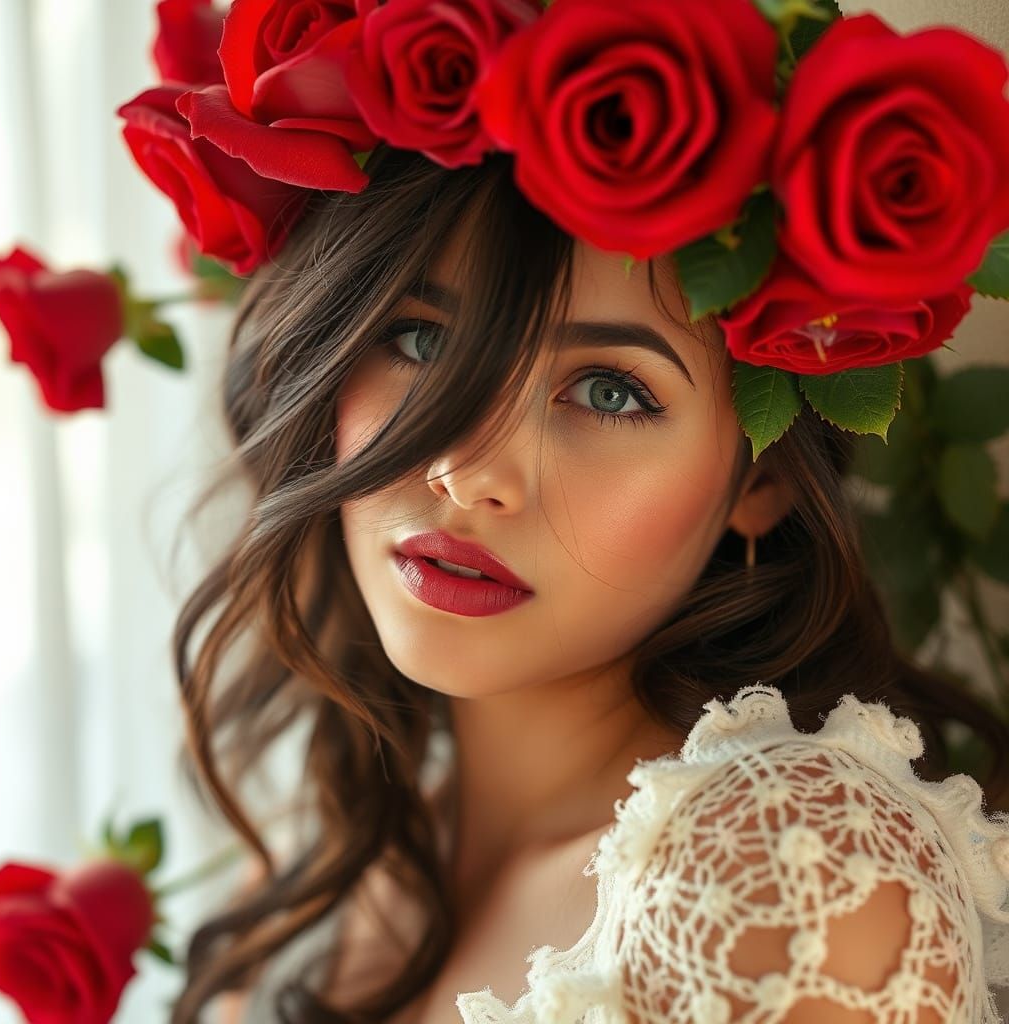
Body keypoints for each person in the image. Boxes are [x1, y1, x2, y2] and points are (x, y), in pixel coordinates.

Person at [163, 145, 1009, 1024]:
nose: (467, 470)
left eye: (608, 392)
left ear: (762, 481)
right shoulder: (333, 846)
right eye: (421, 340)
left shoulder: (790, 880)